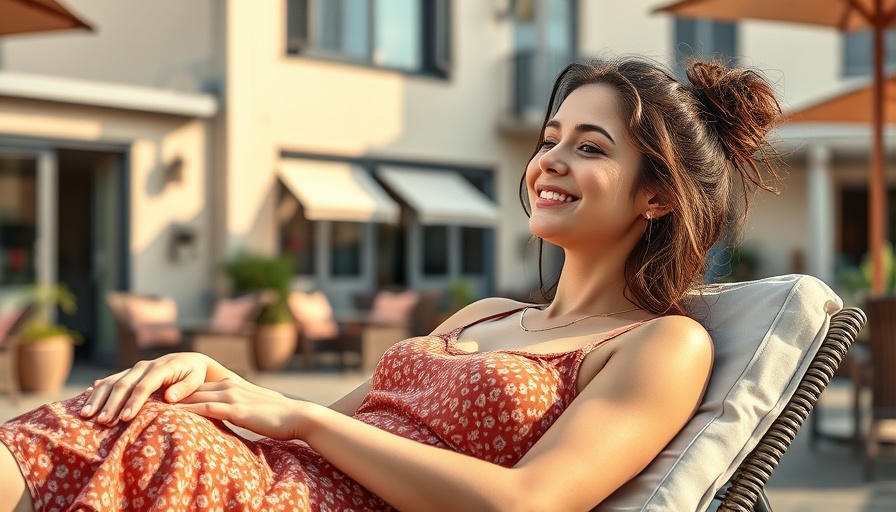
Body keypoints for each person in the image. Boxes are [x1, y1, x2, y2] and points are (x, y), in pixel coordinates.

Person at [0, 55, 782, 512]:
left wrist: (301, 424)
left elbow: (531, 503)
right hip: (288, 478)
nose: (550, 162)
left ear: (658, 195)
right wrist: (213, 379)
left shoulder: (660, 344)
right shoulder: (488, 313)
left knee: (147, 442)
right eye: (551, 140)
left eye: (591, 147)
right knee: (139, 412)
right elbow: (308, 421)